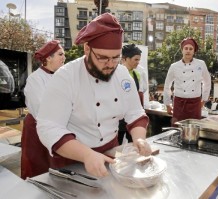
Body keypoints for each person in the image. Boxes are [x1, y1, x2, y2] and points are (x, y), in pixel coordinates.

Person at [36, 13, 151, 177]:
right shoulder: (65, 77)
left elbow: (135, 112)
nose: (110, 65)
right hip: (72, 158)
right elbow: (49, 127)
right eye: (103, 58)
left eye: (116, 58)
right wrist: (86, 154)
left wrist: (139, 139)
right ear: (87, 49)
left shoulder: (122, 74)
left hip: (111, 151)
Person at [21, 40, 65, 179]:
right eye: (60, 54)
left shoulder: (61, 77)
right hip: (36, 128)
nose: (64, 57)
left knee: (53, 166)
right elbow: (41, 109)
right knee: (36, 165)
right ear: (48, 58)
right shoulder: (35, 79)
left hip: (56, 127)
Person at [163, 37, 211, 126]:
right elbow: (167, 85)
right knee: (177, 129)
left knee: (194, 131)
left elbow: (207, 82)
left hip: (195, 103)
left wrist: (203, 100)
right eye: (186, 48)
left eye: (190, 49)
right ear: (182, 50)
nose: (188, 51)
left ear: (194, 51)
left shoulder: (201, 64)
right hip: (179, 104)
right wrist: (167, 104)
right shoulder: (174, 66)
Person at [118, 44, 144, 145]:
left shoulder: (136, 74)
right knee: (117, 144)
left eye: (139, 60)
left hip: (131, 116)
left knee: (133, 143)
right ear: (126, 59)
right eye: (135, 59)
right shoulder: (116, 73)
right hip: (118, 116)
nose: (138, 62)